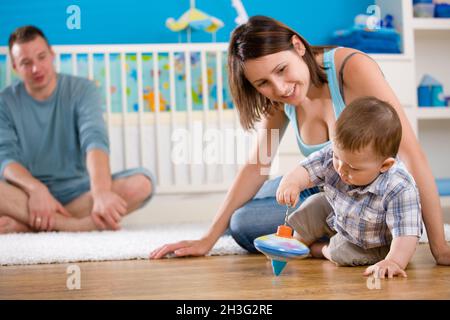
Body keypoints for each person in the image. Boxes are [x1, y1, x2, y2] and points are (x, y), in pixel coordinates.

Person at [150, 16, 450, 265]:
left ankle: (336, 243)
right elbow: (257, 165)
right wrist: (207, 239)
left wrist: (439, 248)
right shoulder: (279, 100)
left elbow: (411, 155)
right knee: (257, 200)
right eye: (263, 83)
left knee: (243, 223)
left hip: (364, 200)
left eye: (281, 70)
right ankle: (332, 237)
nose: (280, 88)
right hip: (320, 190)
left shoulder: (351, 68)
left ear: (297, 46)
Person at [0, 26, 155, 234]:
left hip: (79, 193)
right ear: (14, 66)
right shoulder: (4, 102)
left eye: (41, 57)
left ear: (52, 54)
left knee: (142, 184)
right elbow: (5, 158)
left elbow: (94, 140)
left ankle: (30, 225)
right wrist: (36, 189)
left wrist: (101, 192)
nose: (36, 68)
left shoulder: (83, 89)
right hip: (24, 194)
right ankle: (75, 225)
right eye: (26, 63)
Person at [277, 96, 421, 278]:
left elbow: (406, 233)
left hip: (371, 243)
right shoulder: (337, 155)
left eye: (353, 168)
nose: (341, 170)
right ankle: (297, 242)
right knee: (314, 205)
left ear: (384, 165)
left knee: (342, 251)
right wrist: (292, 182)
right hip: (341, 213)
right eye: (337, 158)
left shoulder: (399, 187)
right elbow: (308, 168)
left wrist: (393, 261)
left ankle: (320, 250)